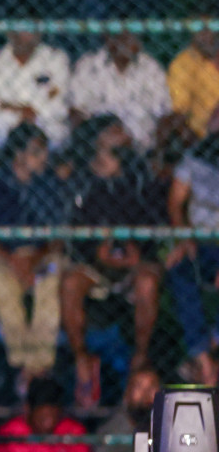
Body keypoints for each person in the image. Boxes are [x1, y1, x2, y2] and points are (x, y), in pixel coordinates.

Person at [60, 116, 163, 399]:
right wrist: (97, 252)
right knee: (70, 283)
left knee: (147, 283)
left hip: (134, 260)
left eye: (122, 129)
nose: (122, 134)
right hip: (95, 261)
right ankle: (81, 357)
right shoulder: (81, 178)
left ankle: (140, 357)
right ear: (98, 142)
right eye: (113, 132)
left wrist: (136, 252)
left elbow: (154, 221)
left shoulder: (139, 175)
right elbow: (71, 228)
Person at [0, 124, 66, 381]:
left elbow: (60, 237)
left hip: (42, 256)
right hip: (4, 257)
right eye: (36, 152)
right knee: (0, 282)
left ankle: (35, 367)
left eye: (44, 151)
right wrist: (13, 261)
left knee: (53, 276)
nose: (44, 158)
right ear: (18, 154)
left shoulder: (51, 185)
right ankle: (26, 363)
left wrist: (35, 259)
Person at [165, 134, 219, 381]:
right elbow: (175, 203)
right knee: (180, 271)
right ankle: (202, 354)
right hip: (200, 239)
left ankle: (211, 344)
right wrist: (184, 238)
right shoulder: (197, 157)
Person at [68, 32, 170, 154]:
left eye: (135, 35)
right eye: (125, 36)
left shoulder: (151, 68)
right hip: (98, 149)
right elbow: (76, 112)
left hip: (142, 149)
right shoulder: (88, 66)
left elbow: (165, 113)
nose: (131, 41)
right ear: (108, 38)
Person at [0, 23, 72, 150]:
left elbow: (60, 107)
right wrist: (32, 111)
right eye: (17, 29)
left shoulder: (55, 59)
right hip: (6, 145)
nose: (22, 35)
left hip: (51, 140)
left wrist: (11, 108)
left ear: (38, 32)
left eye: (29, 30)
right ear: (9, 33)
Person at [95, 367, 159, 452]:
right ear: (127, 393)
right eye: (139, 387)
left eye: (151, 388)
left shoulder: (170, 431)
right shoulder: (111, 432)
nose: (145, 394)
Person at [167, 16, 219, 139]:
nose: (206, 34)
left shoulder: (215, 58)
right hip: (199, 133)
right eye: (200, 29)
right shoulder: (183, 63)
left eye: (210, 29)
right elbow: (179, 108)